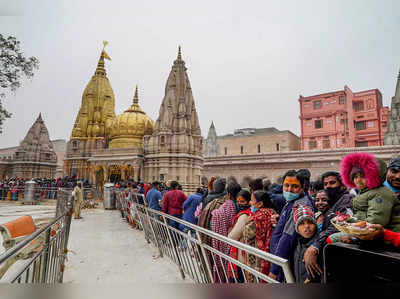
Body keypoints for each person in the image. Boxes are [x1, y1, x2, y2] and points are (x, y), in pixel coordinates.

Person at [302, 170, 353, 279]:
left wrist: (315, 246)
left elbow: (339, 224)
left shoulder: (346, 199)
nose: (328, 186)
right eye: (325, 184)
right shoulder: (334, 202)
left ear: (343, 185)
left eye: (332, 183)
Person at [268, 170, 313, 282]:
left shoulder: (299, 206)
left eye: (294, 186)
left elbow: (287, 239)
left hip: (286, 262)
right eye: (286, 185)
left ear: (302, 188)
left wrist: (274, 270)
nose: (289, 189)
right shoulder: (291, 201)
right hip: (281, 261)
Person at [210, 181, 239, 282]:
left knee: (223, 263)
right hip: (234, 241)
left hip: (224, 241)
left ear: (228, 194)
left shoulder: (227, 205)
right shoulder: (238, 205)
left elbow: (216, 218)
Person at [243, 190, 275, 283]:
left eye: (252, 200)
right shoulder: (271, 212)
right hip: (270, 253)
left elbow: (247, 233)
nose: (250, 202)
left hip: (258, 256)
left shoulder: (258, 216)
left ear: (260, 203)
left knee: (257, 279)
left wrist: (246, 222)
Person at [227, 189, 252, 283]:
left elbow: (232, 237)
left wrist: (230, 231)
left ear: (249, 201)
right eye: (238, 201)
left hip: (241, 256)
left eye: (242, 201)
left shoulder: (244, 216)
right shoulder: (248, 213)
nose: (239, 204)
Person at [292, 205, 322, 283]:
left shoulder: (318, 246)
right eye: (301, 223)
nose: (307, 226)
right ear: (296, 227)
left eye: (310, 222)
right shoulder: (296, 243)